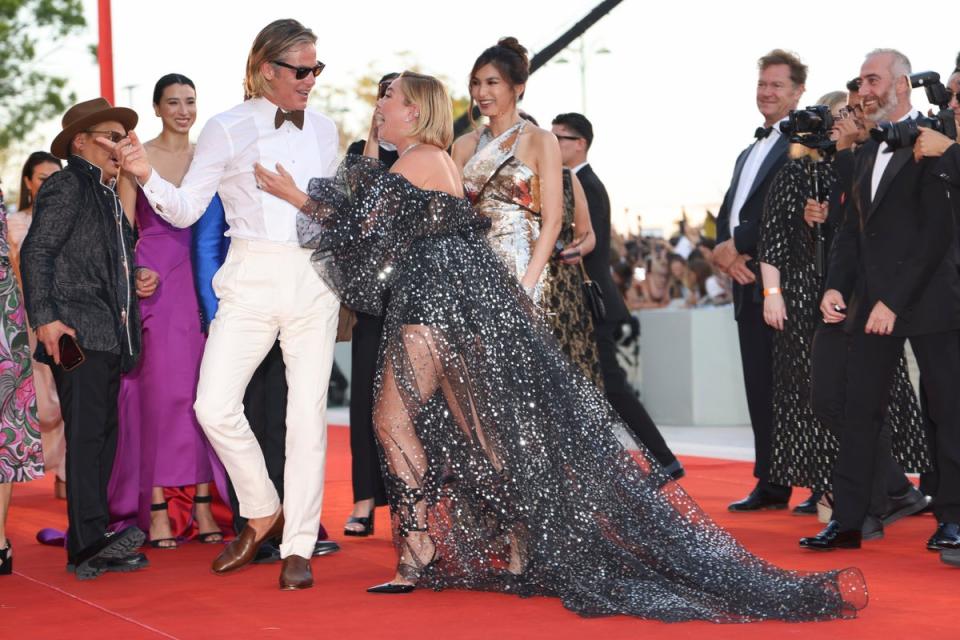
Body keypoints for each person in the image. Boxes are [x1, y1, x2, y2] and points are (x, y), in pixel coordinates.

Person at [255, 70, 866, 622]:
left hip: (434, 307)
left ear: (413, 112)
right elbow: (372, 227)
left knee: (395, 421)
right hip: (449, 304)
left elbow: (359, 224)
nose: (378, 105)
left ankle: (423, 548)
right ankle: (513, 539)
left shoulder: (419, 160)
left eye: (387, 98)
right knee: (476, 429)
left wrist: (294, 196)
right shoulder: (424, 158)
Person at [107, 19, 341, 590]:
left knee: (305, 416)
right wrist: (146, 176)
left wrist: (300, 199)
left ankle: (299, 544)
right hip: (250, 279)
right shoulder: (227, 126)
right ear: (267, 70)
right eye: (301, 70)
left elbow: (335, 214)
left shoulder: (329, 130)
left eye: (317, 68)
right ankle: (262, 509)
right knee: (213, 405)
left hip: (312, 281)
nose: (311, 79)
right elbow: (185, 210)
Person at [801, 49, 960, 556]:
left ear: (902, 83)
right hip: (870, 301)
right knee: (859, 409)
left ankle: (953, 518)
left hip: (929, 297)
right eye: (862, 81)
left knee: (947, 411)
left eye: (872, 80)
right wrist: (834, 286)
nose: (863, 89)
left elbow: (937, 233)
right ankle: (849, 520)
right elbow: (853, 231)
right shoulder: (864, 148)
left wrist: (893, 299)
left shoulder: (937, 137)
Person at [759, 91, 928, 522]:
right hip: (806, 298)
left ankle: (875, 491)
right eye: (832, 118)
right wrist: (773, 293)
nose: (836, 125)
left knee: (864, 395)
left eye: (843, 116)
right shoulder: (796, 173)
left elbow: (873, 231)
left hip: (858, 295)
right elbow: (771, 240)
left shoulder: (864, 165)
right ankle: (850, 488)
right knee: (820, 398)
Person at [21, 97, 156, 579]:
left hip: (106, 334)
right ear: (81, 141)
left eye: (124, 136)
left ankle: (92, 537)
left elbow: (112, 260)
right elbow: (37, 252)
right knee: (88, 434)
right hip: (77, 331)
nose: (122, 144)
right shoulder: (66, 183)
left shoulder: (102, 191)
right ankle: (85, 543)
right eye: (112, 135)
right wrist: (47, 320)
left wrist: (139, 277)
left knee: (100, 436)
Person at [110, 73, 225, 549]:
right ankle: (156, 505)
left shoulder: (210, 157)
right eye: (173, 102)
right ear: (156, 108)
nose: (183, 110)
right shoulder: (139, 159)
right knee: (158, 396)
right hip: (155, 281)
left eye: (190, 101)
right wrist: (135, 271)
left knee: (207, 394)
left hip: (208, 283)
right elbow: (121, 228)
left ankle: (203, 502)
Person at [551, 112, 683, 478]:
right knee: (602, 387)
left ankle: (663, 459)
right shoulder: (572, 182)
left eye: (559, 138)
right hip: (582, 302)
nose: (551, 144)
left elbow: (584, 243)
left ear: (580, 144)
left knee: (612, 386)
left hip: (590, 301)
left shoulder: (586, 185)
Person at [713, 50, 805, 512]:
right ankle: (771, 481)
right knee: (759, 385)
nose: (766, 93)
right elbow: (730, 209)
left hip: (784, 284)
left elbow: (783, 210)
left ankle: (815, 483)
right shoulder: (748, 150)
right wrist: (720, 250)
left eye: (777, 86)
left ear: (798, 92)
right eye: (762, 84)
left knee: (795, 389)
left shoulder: (803, 143)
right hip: (746, 281)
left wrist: (738, 244)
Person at [453, 37, 562, 304]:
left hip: (524, 269)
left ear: (518, 87)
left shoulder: (541, 140)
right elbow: (453, 219)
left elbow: (553, 221)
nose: (481, 93)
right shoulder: (463, 145)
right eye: (476, 83)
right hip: (472, 271)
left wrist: (527, 286)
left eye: (492, 82)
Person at [341, 72, 400, 537]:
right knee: (366, 396)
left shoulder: (431, 154)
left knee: (415, 403)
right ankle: (363, 501)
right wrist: (374, 136)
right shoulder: (361, 153)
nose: (387, 101)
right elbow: (357, 210)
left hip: (419, 293)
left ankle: (410, 504)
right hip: (373, 297)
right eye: (383, 94)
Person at [10, 152, 65, 499]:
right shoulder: (12, 223)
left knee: (66, 399)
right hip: (22, 323)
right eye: (43, 178)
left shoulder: (68, 219)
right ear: (29, 182)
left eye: (55, 177)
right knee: (39, 403)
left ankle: (65, 475)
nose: (49, 184)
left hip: (65, 320)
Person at [0, 179, 41, 577]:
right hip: (5, 307)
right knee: (5, 427)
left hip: (5, 309)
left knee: (6, 425)